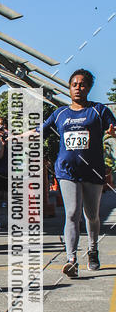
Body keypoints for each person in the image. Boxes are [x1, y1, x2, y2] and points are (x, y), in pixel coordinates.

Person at [42, 69, 116, 278]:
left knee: (91, 215)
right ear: (69, 87)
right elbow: (40, 130)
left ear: (89, 88)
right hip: (66, 171)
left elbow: (114, 127)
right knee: (72, 214)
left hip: (92, 170)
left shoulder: (98, 110)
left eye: (82, 84)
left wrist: (112, 132)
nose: (78, 88)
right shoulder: (60, 113)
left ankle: (93, 250)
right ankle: (71, 259)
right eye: (74, 84)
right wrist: (17, 136)